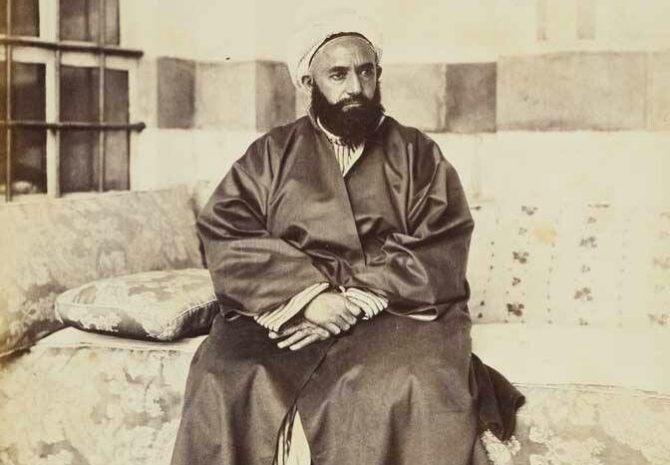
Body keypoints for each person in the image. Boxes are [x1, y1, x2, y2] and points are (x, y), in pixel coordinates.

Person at [171, 14, 523, 465]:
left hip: (392, 309)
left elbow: (441, 238)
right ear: (308, 83)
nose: (355, 86)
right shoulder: (271, 154)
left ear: (378, 75)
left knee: (411, 385)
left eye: (365, 71)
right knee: (224, 376)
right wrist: (308, 298)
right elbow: (226, 228)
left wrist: (354, 300)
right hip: (289, 311)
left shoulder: (417, 153)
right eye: (338, 75)